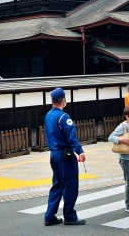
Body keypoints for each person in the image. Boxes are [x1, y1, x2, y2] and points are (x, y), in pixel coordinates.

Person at [43, 88, 86, 226]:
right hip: (65, 154)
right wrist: (80, 151)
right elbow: (71, 137)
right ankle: (69, 216)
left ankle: (49, 216)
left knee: (57, 184)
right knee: (70, 184)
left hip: (53, 154)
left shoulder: (47, 116)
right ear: (63, 100)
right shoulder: (64, 117)